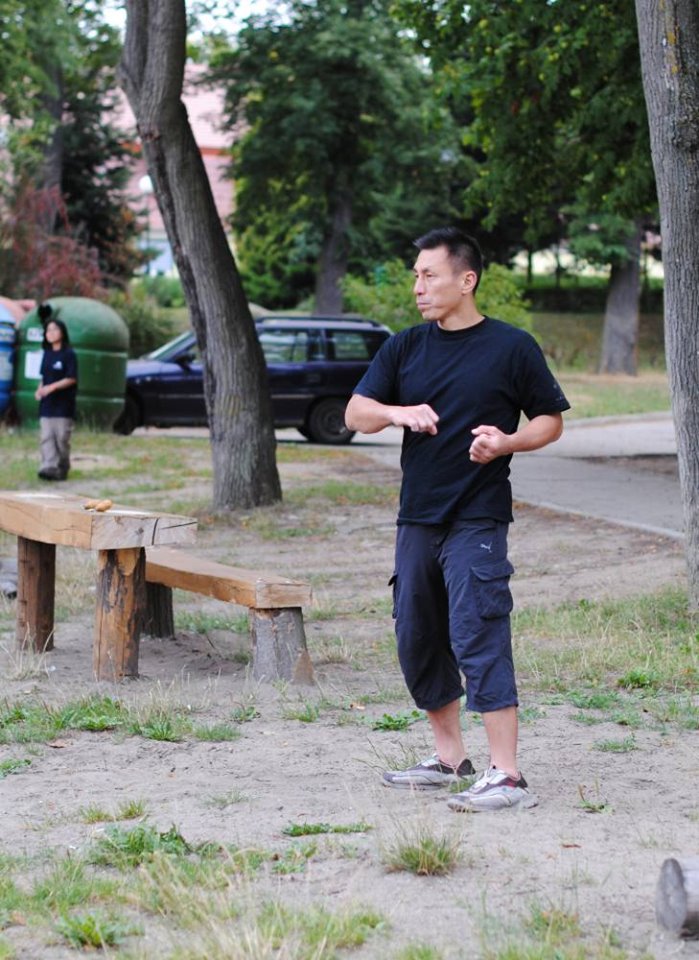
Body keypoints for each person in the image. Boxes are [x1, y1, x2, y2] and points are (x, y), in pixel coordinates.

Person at [345, 227, 570, 811]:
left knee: (478, 631)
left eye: (429, 275)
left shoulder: (512, 347)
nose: (418, 287)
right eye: (416, 276)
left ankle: (507, 775)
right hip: (417, 517)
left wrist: (507, 442)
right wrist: (398, 412)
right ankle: (450, 759)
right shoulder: (405, 347)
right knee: (416, 633)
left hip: (477, 516)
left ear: (466, 280)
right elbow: (356, 412)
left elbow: (550, 420)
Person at [34, 309, 78, 481]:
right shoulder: (47, 354)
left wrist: (52, 388)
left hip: (63, 404)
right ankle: (48, 467)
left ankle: (62, 466)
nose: (50, 333)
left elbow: (71, 378)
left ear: (62, 333)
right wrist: (40, 390)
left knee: (61, 438)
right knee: (46, 436)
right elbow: (43, 377)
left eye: (54, 329)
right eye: (48, 330)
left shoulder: (69, 354)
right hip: (47, 404)